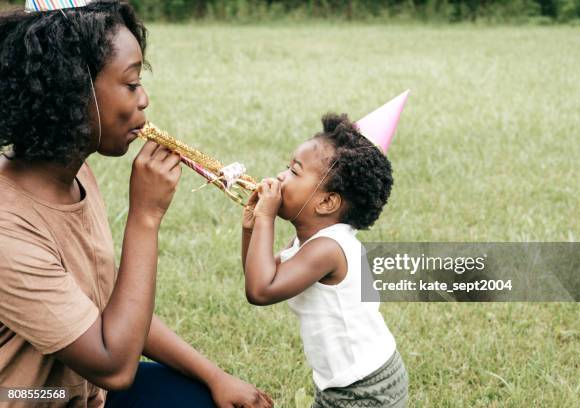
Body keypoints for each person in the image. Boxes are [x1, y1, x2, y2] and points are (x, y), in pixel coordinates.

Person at [0, 1, 272, 407]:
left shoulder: (75, 176)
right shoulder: (7, 226)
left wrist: (216, 377)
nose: (144, 100)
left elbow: (113, 306)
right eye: (130, 84)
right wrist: (145, 217)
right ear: (74, 91)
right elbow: (115, 366)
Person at [241, 113, 408, 407]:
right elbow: (260, 275)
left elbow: (261, 290)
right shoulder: (308, 243)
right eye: (286, 167)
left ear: (327, 202)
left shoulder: (328, 249)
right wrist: (251, 228)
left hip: (366, 387)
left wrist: (266, 216)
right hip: (342, 382)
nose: (281, 177)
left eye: (294, 171)